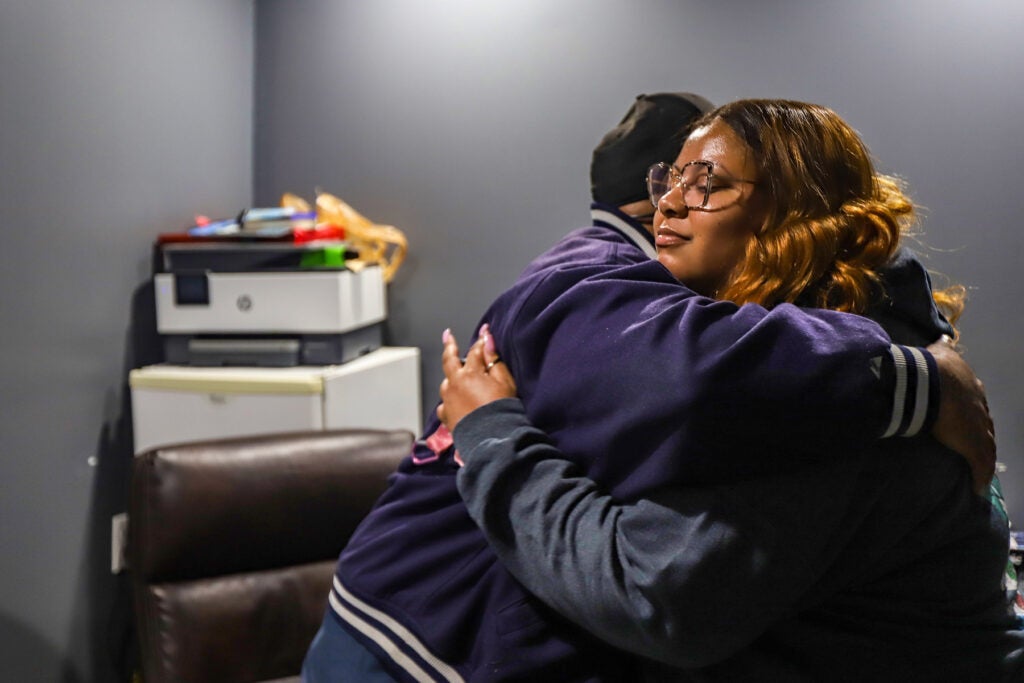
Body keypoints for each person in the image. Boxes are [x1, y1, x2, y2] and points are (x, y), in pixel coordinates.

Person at [302, 94, 994, 682]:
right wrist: (920, 379)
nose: (672, 204)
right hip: (403, 639)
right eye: (672, 179)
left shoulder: (820, 388)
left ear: (795, 211)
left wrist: (912, 378)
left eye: (708, 183)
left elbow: (654, 591)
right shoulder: (598, 282)